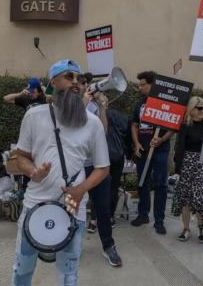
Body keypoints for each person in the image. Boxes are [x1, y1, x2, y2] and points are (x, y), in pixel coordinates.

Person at [11, 59, 110, 286]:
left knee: (69, 274)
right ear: (53, 82)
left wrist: (80, 190)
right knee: (22, 269)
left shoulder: (93, 123)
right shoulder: (34, 116)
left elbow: (102, 167)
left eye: (79, 79)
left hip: (73, 208)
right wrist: (33, 172)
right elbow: (21, 157)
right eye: (69, 77)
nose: (76, 83)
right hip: (34, 205)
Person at [80, 73, 122, 267]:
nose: (85, 86)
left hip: (97, 165)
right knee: (73, 207)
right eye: (81, 84)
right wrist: (83, 102)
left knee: (103, 209)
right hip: (77, 166)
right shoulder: (66, 107)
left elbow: (104, 130)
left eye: (86, 84)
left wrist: (102, 106)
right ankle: (72, 244)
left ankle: (109, 246)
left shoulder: (94, 106)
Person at [130, 71, 174, 235]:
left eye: (143, 84)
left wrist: (162, 140)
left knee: (161, 184)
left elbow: (172, 127)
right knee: (142, 181)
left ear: (152, 85)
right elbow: (134, 124)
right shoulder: (140, 104)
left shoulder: (166, 103)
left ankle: (159, 220)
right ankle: (143, 214)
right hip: (143, 149)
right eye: (140, 85)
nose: (140, 88)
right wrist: (136, 143)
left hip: (160, 150)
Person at [171, 96, 203, 243]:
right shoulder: (185, 126)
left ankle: (202, 225)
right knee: (185, 198)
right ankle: (186, 229)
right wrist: (178, 170)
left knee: (197, 194)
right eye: (199, 108)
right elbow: (179, 148)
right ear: (191, 109)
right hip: (187, 163)